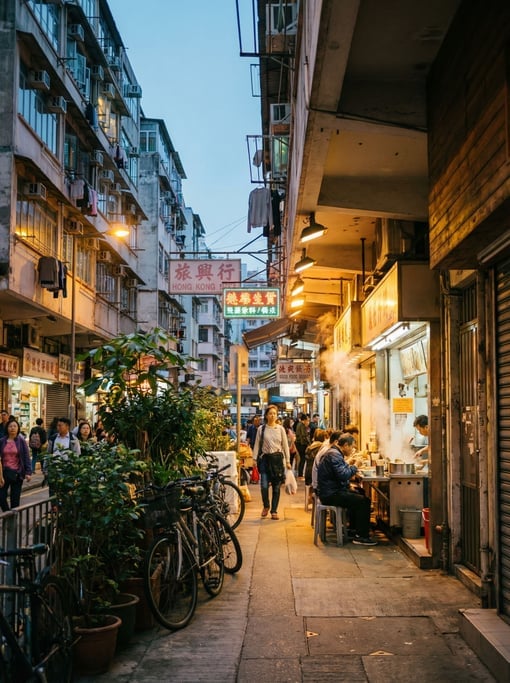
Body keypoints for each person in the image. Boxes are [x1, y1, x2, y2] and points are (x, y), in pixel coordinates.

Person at [317, 432, 377, 546]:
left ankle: (355, 529)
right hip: (330, 494)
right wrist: (356, 466)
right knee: (363, 501)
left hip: (331, 490)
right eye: (352, 447)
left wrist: (350, 465)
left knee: (360, 494)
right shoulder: (334, 454)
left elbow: (341, 471)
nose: (352, 450)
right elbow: (344, 475)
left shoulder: (334, 453)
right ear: (345, 445)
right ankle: (361, 536)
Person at [253, 404, 291, 520]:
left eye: (274, 413)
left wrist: (288, 461)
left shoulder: (280, 429)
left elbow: (285, 446)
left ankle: (274, 510)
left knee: (276, 487)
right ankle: (266, 506)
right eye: (270, 413)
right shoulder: (261, 429)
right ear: (266, 415)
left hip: (278, 460)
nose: (273, 415)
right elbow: (257, 444)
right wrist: (254, 459)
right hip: (265, 460)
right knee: (264, 485)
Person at [0, 418, 32, 511]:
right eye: (10, 426)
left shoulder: (21, 441)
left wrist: (28, 472)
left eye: (14, 426)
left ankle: (12, 523)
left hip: (17, 474)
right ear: (7, 428)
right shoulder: (2, 441)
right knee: (1, 497)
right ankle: (7, 514)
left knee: (15, 500)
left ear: (18, 428)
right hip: (3, 474)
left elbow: (26, 456)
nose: (12, 428)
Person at [295, 413, 310, 479]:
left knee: (302, 459)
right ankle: (300, 475)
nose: (308, 422)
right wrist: (309, 443)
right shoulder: (302, 425)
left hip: (299, 444)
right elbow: (304, 436)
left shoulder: (299, 424)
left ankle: (300, 474)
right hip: (301, 444)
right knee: (303, 459)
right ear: (304, 420)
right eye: (307, 420)